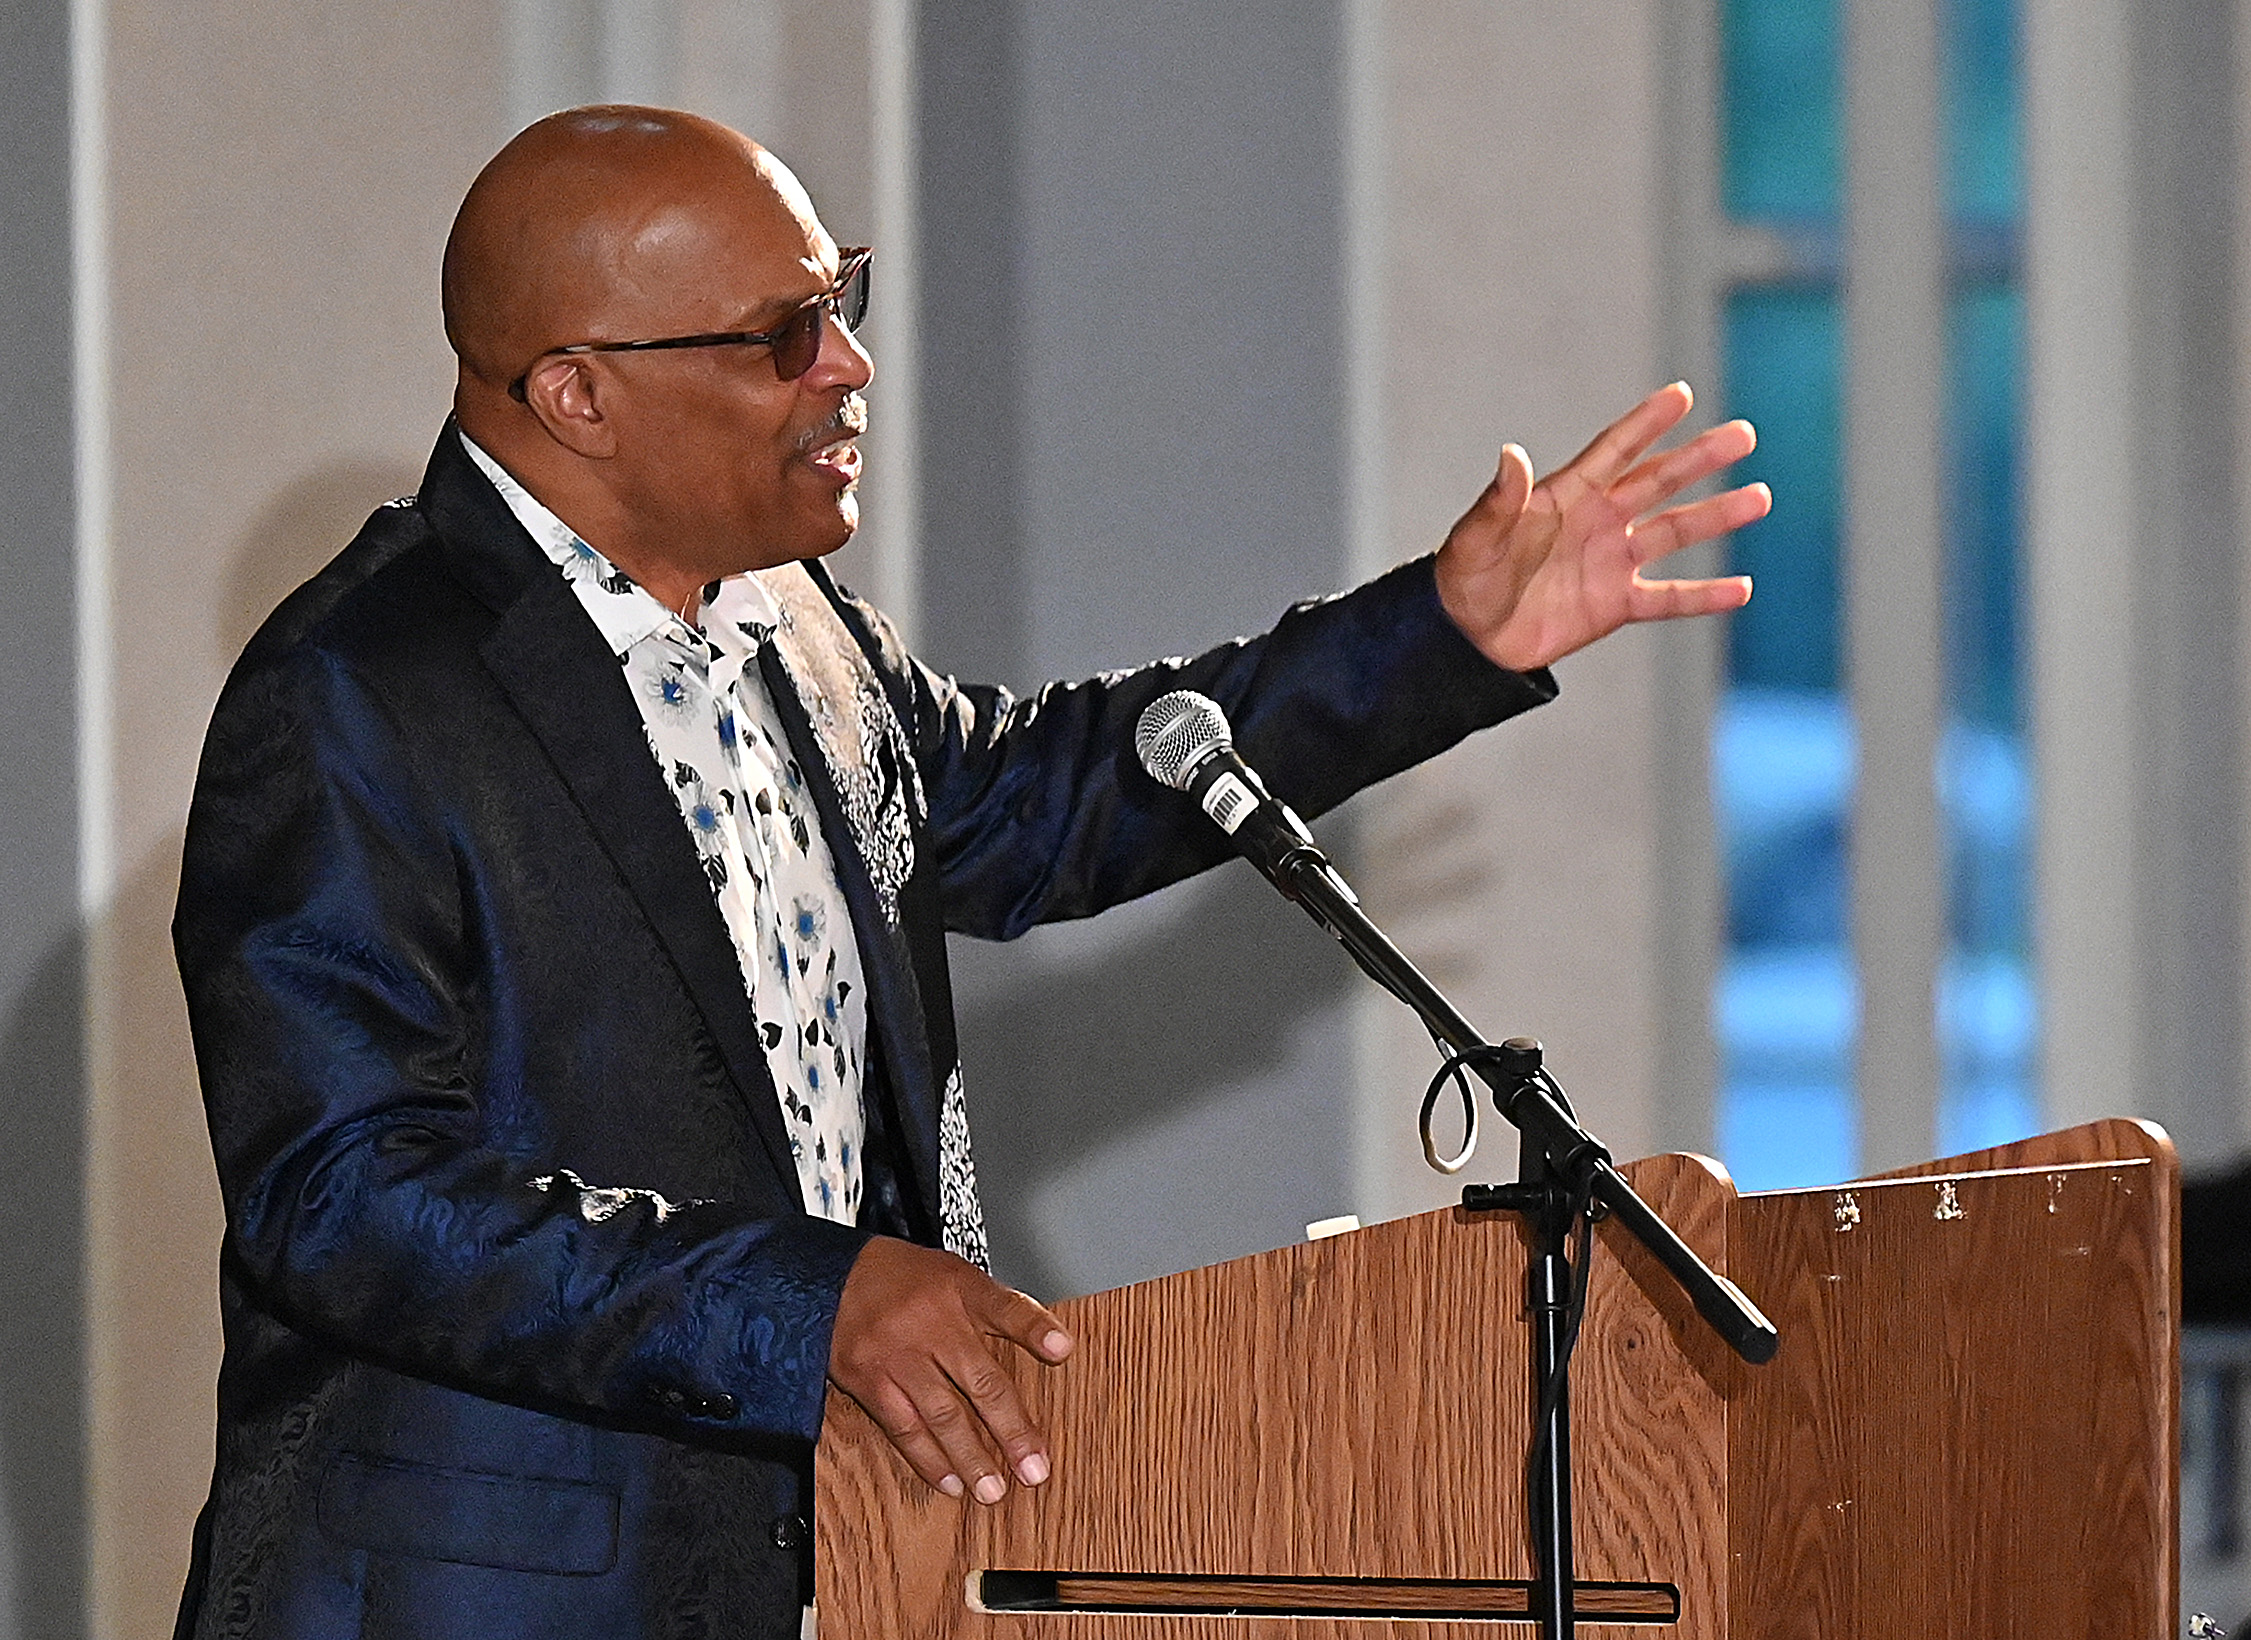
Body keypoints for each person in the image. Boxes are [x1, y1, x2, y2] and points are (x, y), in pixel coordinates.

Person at [171, 105, 1768, 1639]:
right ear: (580, 395)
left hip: (858, 1564)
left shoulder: (796, 629)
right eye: (784, 333)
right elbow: (346, 1197)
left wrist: (1440, 634)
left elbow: (1044, 800)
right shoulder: (351, 697)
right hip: (496, 1594)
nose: (851, 369)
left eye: (843, 301)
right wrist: (819, 1306)